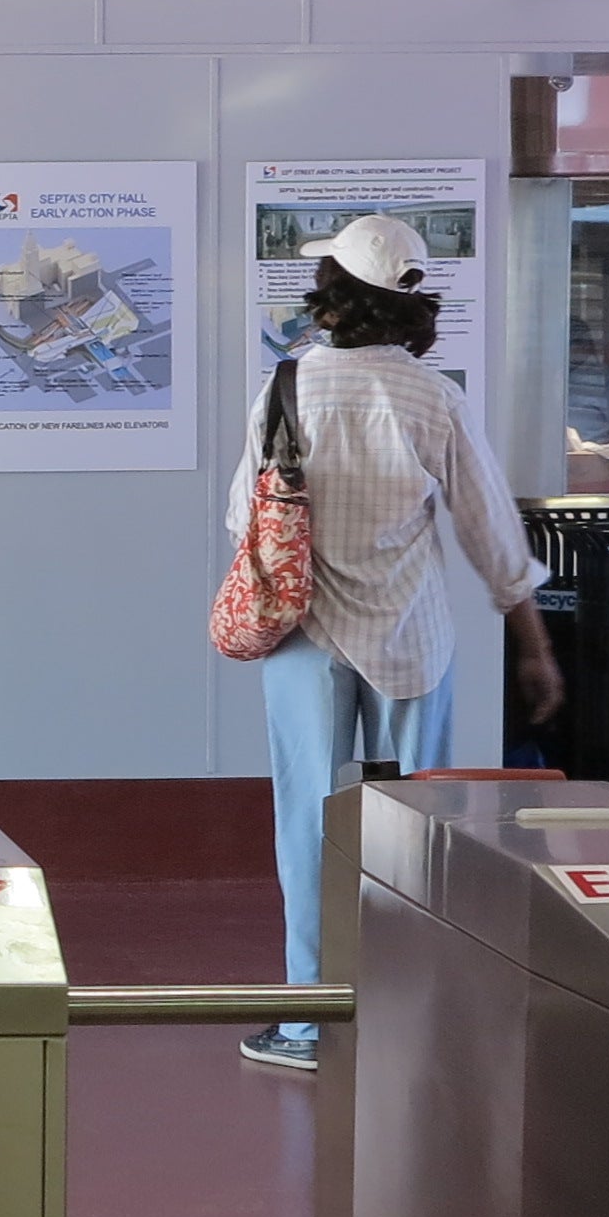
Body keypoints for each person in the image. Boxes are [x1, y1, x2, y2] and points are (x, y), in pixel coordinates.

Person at [229, 214, 563, 1075]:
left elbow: (245, 517)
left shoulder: (286, 387)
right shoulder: (432, 396)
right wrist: (532, 642)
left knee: (307, 818)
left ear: (332, 294)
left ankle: (309, 1017)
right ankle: (412, 1005)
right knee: (419, 821)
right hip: (412, 635)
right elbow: (489, 528)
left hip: (304, 636)